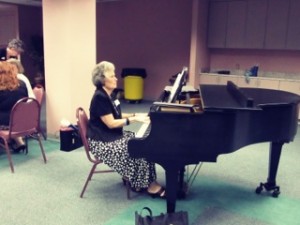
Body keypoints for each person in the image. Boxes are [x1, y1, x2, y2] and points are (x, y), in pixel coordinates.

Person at [87, 61, 165, 198]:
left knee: (143, 142)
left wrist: (135, 114)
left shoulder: (108, 95)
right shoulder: (100, 97)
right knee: (138, 147)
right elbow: (111, 123)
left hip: (110, 136)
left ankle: (141, 181)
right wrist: (134, 120)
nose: (116, 78)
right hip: (102, 142)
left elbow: (116, 115)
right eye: (112, 76)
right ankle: (148, 185)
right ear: (102, 80)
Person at [0, 61, 28, 152]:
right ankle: (17, 139)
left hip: (5, 124)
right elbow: (25, 101)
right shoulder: (22, 84)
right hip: (20, 122)